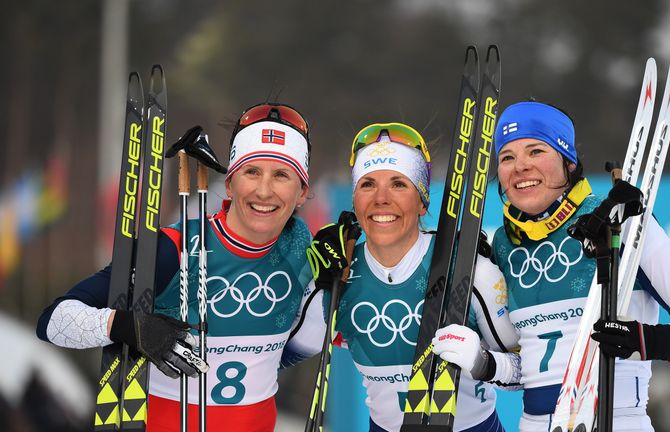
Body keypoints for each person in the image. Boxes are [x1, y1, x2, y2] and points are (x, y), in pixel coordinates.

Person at [431, 101, 670, 432]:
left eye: (536, 151)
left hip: (618, 419)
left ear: (568, 162)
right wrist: (482, 363)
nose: (520, 167)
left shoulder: (617, 218)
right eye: (507, 157)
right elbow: (521, 374)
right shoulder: (500, 246)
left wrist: (650, 341)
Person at [37, 102, 317, 431]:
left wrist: (269, 364)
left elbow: (311, 337)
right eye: (251, 171)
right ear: (230, 183)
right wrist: (129, 326)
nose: (264, 190)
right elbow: (52, 322)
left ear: (302, 192)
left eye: (281, 175)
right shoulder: (175, 250)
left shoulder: (304, 253)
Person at [287, 122, 521, 432]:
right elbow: (270, 355)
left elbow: (524, 373)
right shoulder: (336, 278)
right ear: (355, 201)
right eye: (367, 184)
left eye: (399, 183)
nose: (381, 198)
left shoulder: (470, 271)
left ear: (422, 201)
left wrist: (484, 363)